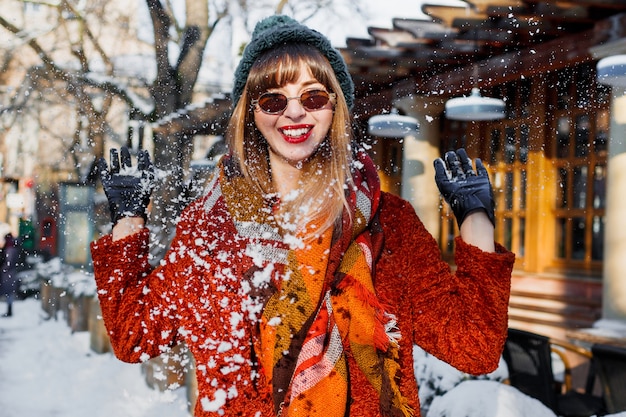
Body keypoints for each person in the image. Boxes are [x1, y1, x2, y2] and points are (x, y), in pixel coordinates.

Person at [91, 15, 515, 417]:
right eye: (273, 100)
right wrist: (129, 218)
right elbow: (135, 335)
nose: (295, 112)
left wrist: (476, 217)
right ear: (252, 116)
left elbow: (473, 346)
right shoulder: (212, 229)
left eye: (313, 96)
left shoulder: (391, 223)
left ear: (335, 108)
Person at [1, 233, 20, 317]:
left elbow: (8, 263)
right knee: (9, 293)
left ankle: (9, 311)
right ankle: (9, 310)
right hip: (10, 274)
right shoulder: (13, 247)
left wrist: (3, 269)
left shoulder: (10, 249)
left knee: (9, 293)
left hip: (8, 274)